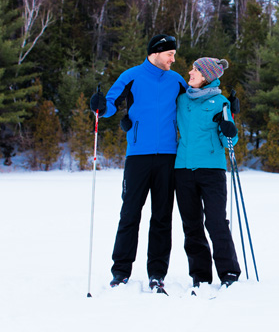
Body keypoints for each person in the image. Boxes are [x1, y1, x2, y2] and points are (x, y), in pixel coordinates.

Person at [89, 34, 187, 291]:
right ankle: (120, 271)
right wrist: (99, 106)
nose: (173, 59)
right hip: (138, 156)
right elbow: (109, 105)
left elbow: (192, 105)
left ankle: (157, 273)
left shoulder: (176, 80)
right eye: (170, 54)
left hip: (168, 156)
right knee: (130, 213)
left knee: (162, 216)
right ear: (156, 52)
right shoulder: (131, 76)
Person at [175, 57, 241, 289]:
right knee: (191, 225)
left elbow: (229, 140)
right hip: (183, 169)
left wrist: (230, 127)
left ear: (207, 76)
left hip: (212, 170)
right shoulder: (181, 100)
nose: (190, 72)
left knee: (215, 222)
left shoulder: (221, 102)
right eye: (192, 68)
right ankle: (200, 276)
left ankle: (229, 272)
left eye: (195, 70)